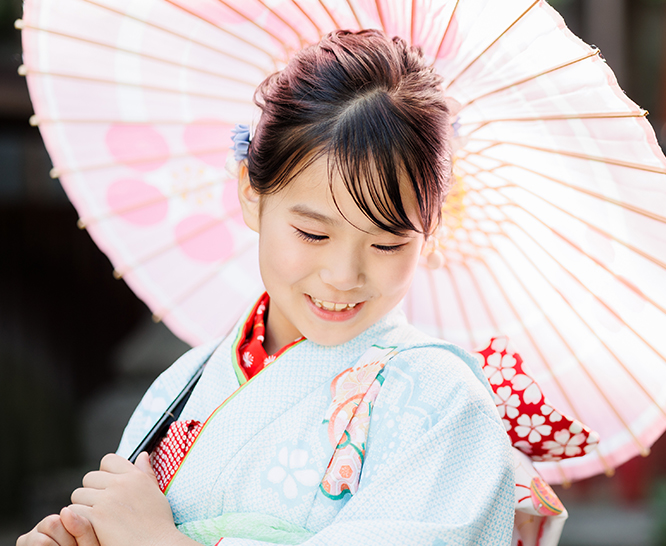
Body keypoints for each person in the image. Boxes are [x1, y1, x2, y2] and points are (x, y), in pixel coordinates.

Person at [18, 29, 515, 546]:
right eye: (313, 233)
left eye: (386, 245)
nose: (343, 275)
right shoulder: (182, 385)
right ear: (251, 193)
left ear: (429, 234)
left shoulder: (443, 405)